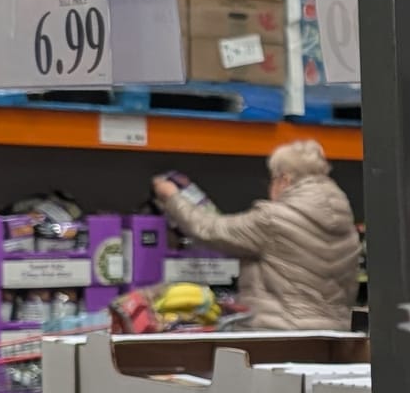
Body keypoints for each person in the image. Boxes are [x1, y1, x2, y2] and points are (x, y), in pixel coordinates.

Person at [153, 138, 360, 331]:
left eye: (272, 179)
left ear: (285, 180)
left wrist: (172, 197)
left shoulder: (273, 220)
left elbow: (208, 229)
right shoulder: (346, 225)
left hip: (282, 336)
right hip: (334, 336)